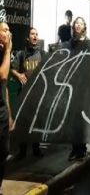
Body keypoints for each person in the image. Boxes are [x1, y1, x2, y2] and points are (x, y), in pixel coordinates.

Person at [11, 27, 44, 160]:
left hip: (37, 94)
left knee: (37, 122)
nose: (35, 36)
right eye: (32, 34)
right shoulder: (21, 54)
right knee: (23, 123)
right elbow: (12, 69)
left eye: (36, 34)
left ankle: (36, 149)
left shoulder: (43, 53)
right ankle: (22, 151)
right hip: (24, 94)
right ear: (27, 37)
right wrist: (18, 75)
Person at [68, 17, 88, 161]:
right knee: (72, 117)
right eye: (76, 23)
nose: (78, 25)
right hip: (71, 84)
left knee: (81, 118)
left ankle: (82, 148)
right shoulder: (70, 43)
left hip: (83, 85)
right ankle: (74, 148)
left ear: (84, 26)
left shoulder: (88, 43)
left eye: (81, 23)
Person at [0, 22, 13, 190]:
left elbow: (5, 87)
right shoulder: (5, 54)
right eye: (4, 30)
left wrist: (9, 114)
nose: (8, 33)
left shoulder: (3, 53)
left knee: (3, 152)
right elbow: (2, 75)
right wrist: (8, 51)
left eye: (9, 30)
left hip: (2, 112)